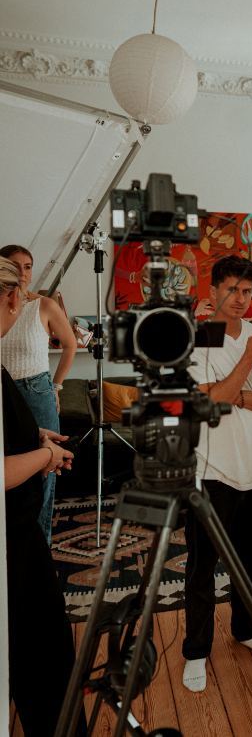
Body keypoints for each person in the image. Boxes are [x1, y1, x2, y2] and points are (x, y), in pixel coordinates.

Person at [182, 254, 252, 692]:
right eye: (232, 290)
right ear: (213, 291)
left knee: (249, 562)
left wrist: (239, 395)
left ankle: (246, 629)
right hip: (212, 470)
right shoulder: (198, 340)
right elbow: (210, 401)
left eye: (248, 291)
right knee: (202, 567)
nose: (241, 299)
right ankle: (196, 651)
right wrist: (247, 363)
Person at [0, 256, 87, 736]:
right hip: (10, 537)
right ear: (12, 297)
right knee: (43, 652)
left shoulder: (42, 308)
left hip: (20, 533)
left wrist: (35, 435)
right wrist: (46, 456)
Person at [0, 243, 77, 544]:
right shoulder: (3, 305)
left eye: (28, 266)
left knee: (45, 472)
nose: (23, 272)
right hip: (4, 394)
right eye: (15, 265)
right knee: (11, 469)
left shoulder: (44, 305)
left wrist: (56, 386)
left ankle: (40, 547)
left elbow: (70, 344)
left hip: (37, 392)